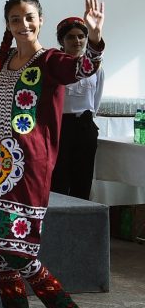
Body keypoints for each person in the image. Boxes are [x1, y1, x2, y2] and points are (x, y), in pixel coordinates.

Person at [0, 0, 105, 308]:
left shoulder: (51, 60)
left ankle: (63, 306)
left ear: (40, 20)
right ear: (7, 24)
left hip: (30, 165)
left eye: (29, 18)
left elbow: (82, 66)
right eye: (15, 19)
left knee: (17, 243)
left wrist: (94, 40)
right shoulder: (2, 61)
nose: (23, 25)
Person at [50, 16, 105, 200]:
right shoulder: (54, 65)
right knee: (58, 181)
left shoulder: (97, 67)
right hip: (59, 128)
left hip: (85, 127)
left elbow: (96, 98)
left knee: (83, 180)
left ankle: (81, 225)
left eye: (81, 36)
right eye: (71, 37)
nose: (77, 41)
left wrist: (89, 119)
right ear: (62, 40)